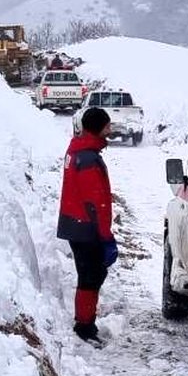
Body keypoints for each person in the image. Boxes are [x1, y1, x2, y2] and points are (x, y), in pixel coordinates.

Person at [56, 107, 118, 342]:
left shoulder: (78, 150)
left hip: (75, 224)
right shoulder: (89, 158)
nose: (110, 129)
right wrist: (105, 236)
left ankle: (85, 322)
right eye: (107, 126)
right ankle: (84, 326)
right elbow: (96, 202)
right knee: (91, 275)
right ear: (99, 128)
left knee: (90, 274)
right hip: (86, 227)